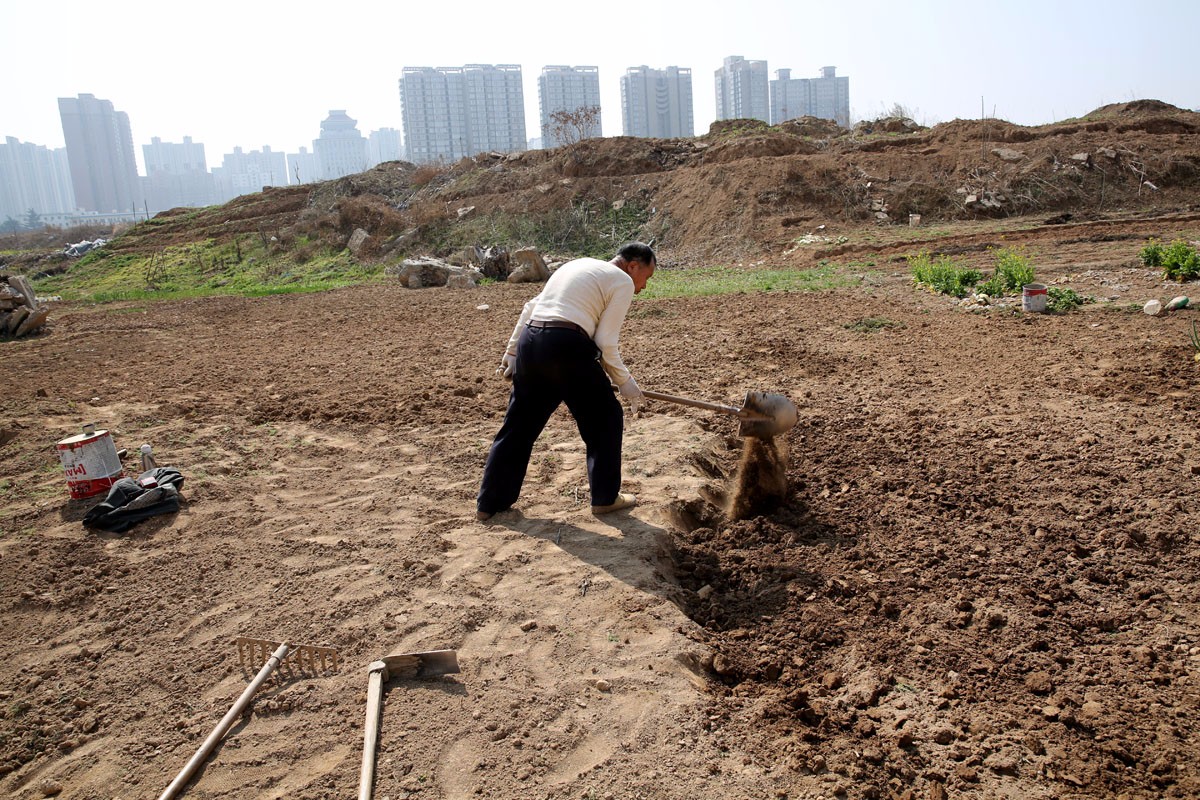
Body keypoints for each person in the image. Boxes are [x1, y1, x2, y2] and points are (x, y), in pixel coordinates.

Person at [476, 242, 657, 521]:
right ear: (633, 266)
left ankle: (490, 504)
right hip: (566, 344)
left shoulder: (575, 265)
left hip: (531, 341)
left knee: (519, 426)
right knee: (605, 418)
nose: (643, 287)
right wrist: (625, 382)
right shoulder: (621, 280)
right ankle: (605, 498)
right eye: (647, 277)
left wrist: (512, 352)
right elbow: (605, 342)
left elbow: (531, 307)